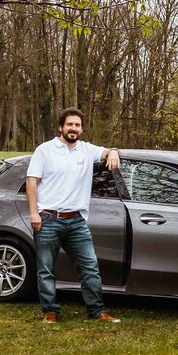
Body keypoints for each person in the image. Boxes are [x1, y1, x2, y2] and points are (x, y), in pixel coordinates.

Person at [26, 108, 121, 323]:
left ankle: (97, 311)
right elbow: (32, 181)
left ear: (81, 129)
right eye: (69, 124)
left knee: (90, 267)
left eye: (77, 125)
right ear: (61, 127)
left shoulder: (86, 150)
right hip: (48, 219)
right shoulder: (45, 150)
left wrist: (113, 151)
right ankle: (50, 312)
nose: (73, 129)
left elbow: (106, 152)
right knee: (46, 270)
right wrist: (34, 213)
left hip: (77, 221)